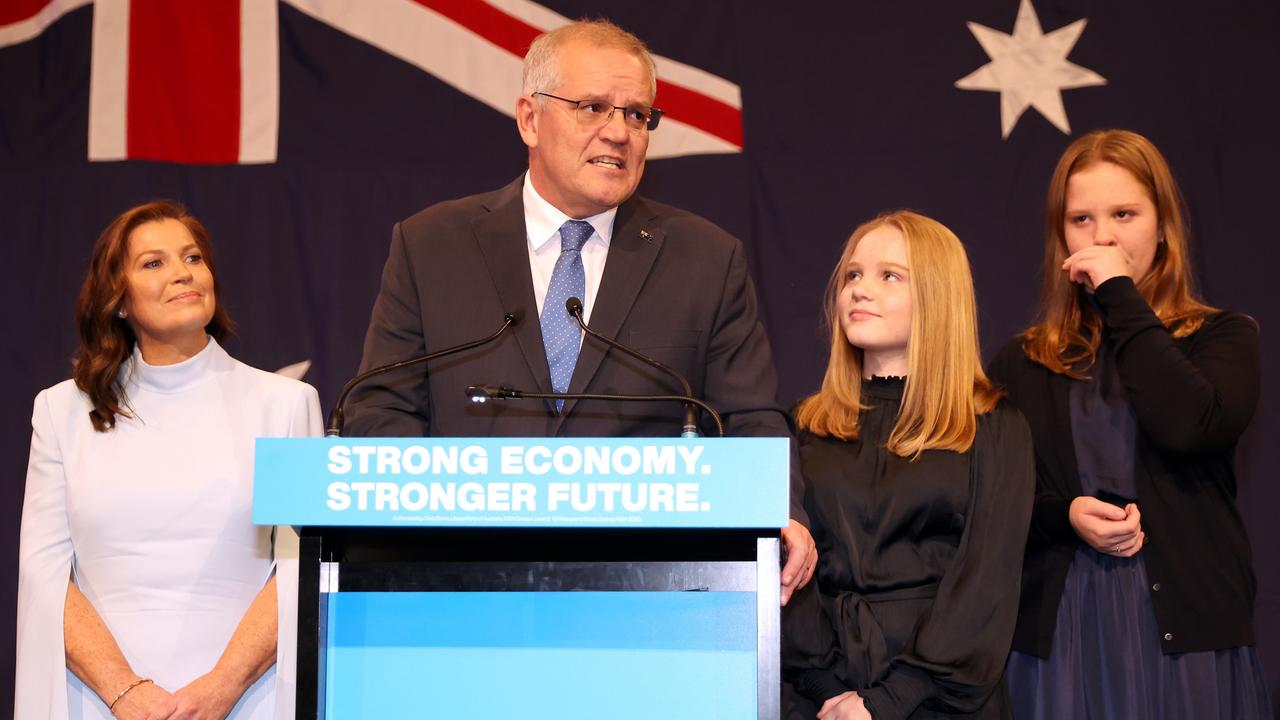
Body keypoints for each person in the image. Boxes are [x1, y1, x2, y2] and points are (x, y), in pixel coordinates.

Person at [345, 19, 815, 600]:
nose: (618, 132)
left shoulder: (705, 259)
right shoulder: (431, 245)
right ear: (528, 118)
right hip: (459, 586)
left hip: (647, 593)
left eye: (637, 115)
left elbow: (748, 419)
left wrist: (778, 510)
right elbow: (380, 410)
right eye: (592, 107)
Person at [992, 129, 1272, 718]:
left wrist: (1120, 293)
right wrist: (1065, 514)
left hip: (1184, 631)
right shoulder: (1023, 360)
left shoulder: (1223, 337)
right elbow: (999, 499)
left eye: (1124, 213)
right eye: (1082, 219)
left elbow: (1191, 425)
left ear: (1164, 225)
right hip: (1061, 628)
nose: (1103, 236)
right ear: (1060, 236)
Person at [15, 201, 322, 720]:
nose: (183, 272)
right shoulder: (60, 410)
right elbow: (44, 573)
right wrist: (127, 693)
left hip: (247, 699)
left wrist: (221, 689)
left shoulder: (287, 404)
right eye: (153, 263)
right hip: (100, 701)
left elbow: (298, 567)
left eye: (193, 258)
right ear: (117, 299)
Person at [782, 211, 1034, 719]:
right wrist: (826, 688)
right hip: (821, 699)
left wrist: (890, 699)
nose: (860, 290)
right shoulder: (802, 425)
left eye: (888, 276)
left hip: (939, 699)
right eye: (853, 275)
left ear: (938, 299)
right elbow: (788, 572)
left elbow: (986, 581)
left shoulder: (993, 425)